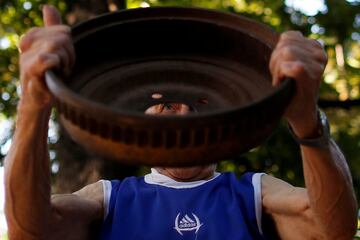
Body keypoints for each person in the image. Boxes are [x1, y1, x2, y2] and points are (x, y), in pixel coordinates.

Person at [4, 5, 358, 240]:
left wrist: (306, 117)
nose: (187, 116)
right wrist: (34, 104)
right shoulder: (110, 198)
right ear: (142, 120)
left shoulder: (254, 192)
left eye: (200, 108)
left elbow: (335, 229)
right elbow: (28, 230)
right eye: (170, 106)